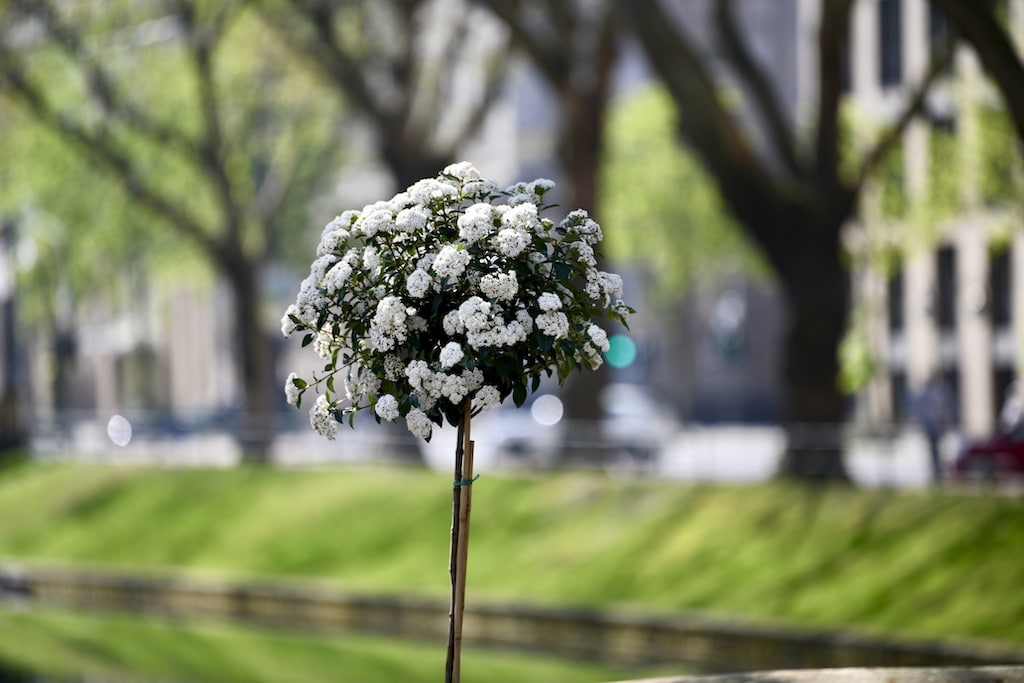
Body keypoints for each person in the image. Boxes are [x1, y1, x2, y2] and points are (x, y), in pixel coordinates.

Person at [914, 373, 953, 484]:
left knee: (935, 452)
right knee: (936, 452)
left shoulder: (930, 394)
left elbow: (920, 410)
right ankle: (937, 474)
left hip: (932, 427)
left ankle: (937, 474)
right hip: (935, 427)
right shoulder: (938, 393)